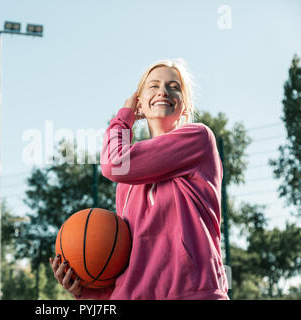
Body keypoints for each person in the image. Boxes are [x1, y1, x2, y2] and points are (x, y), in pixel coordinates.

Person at [49, 59, 229, 300]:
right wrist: (87, 289)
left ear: (185, 106)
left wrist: (124, 118)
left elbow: (114, 163)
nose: (163, 91)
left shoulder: (197, 139)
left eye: (174, 86)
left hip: (194, 294)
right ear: (140, 104)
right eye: (153, 86)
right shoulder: (128, 181)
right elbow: (131, 262)